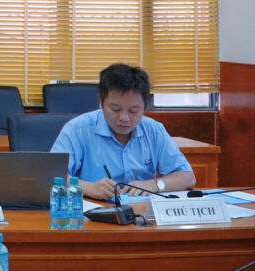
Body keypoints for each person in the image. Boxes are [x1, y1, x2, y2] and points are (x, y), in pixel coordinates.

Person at [50, 63, 195, 200]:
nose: (124, 118)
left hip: (141, 212)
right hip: (93, 211)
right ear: (101, 101)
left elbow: (187, 177)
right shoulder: (77, 129)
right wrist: (89, 188)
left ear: (145, 106)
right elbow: (51, 176)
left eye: (133, 110)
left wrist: (155, 185)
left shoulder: (154, 130)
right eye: (115, 109)